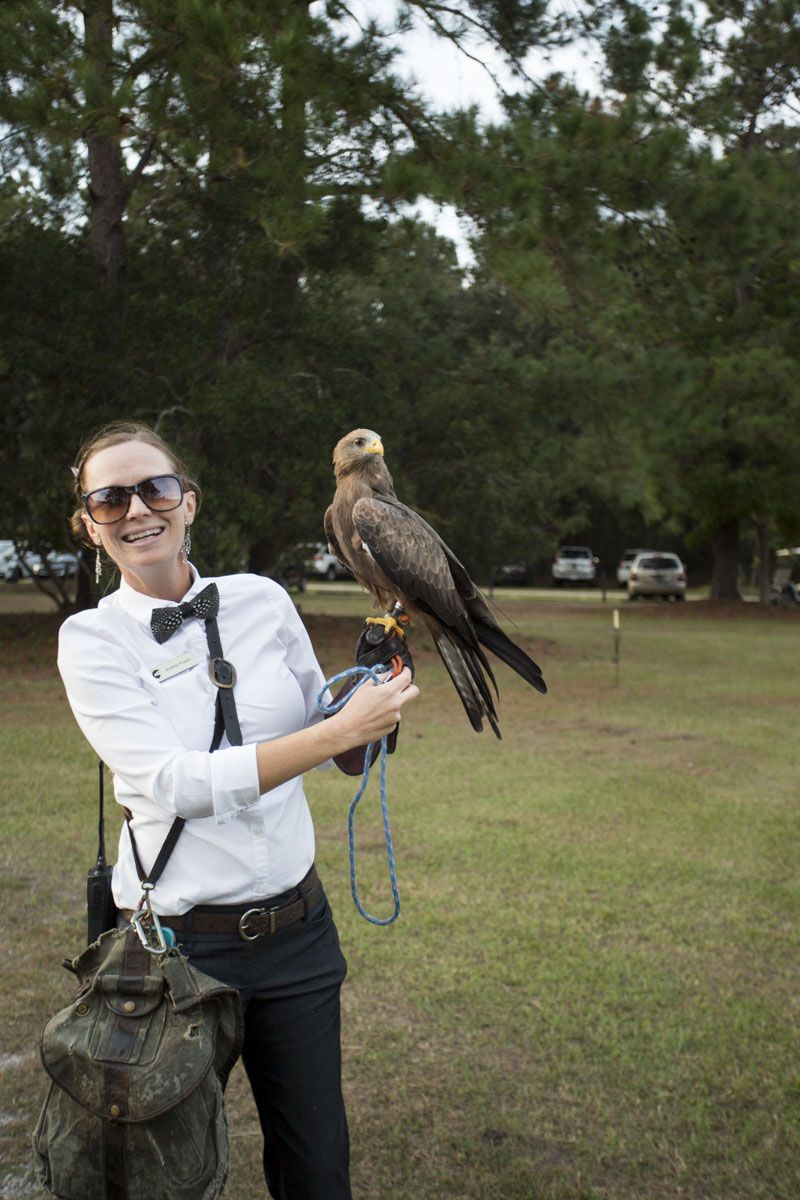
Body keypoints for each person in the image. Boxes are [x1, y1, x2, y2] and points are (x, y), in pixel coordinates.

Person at [58, 420, 419, 1200]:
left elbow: (337, 745)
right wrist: (333, 732)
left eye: (153, 488)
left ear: (188, 502)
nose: (135, 508)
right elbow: (177, 783)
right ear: (90, 524)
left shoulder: (262, 600)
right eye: (109, 498)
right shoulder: (90, 640)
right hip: (174, 957)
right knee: (165, 1178)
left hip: (297, 936)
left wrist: (372, 694)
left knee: (318, 1172)